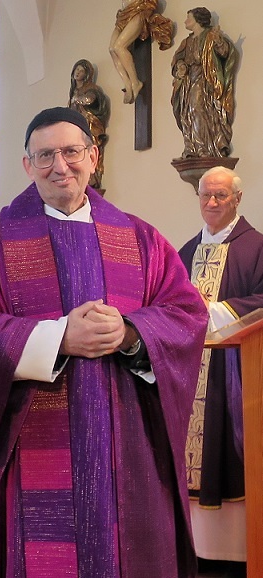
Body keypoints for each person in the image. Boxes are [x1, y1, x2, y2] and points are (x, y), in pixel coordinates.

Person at [0, 107, 208, 577]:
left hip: (125, 437)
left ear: (93, 156)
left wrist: (129, 333)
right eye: (44, 155)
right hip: (28, 441)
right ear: (27, 164)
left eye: (70, 152)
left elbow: (186, 315)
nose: (59, 166)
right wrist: (61, 337)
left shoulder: (140, 237)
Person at [179, 166, 263, 575]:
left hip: (235, 375)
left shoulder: (257, 247)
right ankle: (193, 552)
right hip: (190, 376)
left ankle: (239, 554)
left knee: (230, 453)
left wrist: (211, 312)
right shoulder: (183, 253)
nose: (211, 203)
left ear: (237, 199)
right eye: (206, 196)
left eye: (221, 196)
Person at [171, 8, 238, 159]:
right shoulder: (186, 42)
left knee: (197, 109)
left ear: (198, 20)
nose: (185, 21)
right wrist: (180, 66)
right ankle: (191, 147)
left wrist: (219, 41)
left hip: (204, 80)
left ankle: (203, 149)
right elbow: (177, 60)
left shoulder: (209, 36)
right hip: (188, 82)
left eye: (188, 18)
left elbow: (225, 53)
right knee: (186, 113)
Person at [109, 0, 174, 104]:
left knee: (119, 47)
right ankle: (127, 84)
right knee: (112, 49)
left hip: (137, 12)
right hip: (123, 16)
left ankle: (135, 82)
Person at [68, 59, 110, 189]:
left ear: (87, 74)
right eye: (77, 70)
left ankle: (91, 178)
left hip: (89, 124)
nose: (78, 73)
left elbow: (91, 99)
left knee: (88, 148)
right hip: (76, 128)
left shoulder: (91, 88)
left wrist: (78, 100)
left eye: (82, 71)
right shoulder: (72, 93)